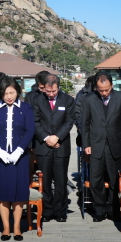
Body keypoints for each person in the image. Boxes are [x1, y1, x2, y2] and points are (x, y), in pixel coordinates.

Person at [0, 76, 35, 241]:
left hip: (19, 157)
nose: (9, 96)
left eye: (12, 92)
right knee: (2, 192)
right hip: (0, 157)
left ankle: (17, 226)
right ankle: (6, 227)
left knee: (19, 193)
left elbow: (30, 131)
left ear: (18, 91)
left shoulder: (26, 108)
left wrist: (19, 151)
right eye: (5, 93)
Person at [81, 72, 121, 222]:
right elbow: (84, 124)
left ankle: (114, 210)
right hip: (95, 145)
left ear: (112, 86)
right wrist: (86, 144)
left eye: (107, 90)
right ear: (96, 87)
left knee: (115, 179)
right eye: (101, 90)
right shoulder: (89, 99)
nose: (104, 93)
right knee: (96, 179)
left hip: (115, 144)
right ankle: (99, 210)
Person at [32, 74, 75, 222]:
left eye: (54, 91)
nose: (51, 94)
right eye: (48, 91)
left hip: (61, 145)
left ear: (58, 87)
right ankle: (47, 211)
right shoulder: (37, 100)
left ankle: (60, 211)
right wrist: (47, 138)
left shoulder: (68, 100)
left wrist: (57, 137)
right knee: (45, 180)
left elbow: (69, 122)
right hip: (43, 146)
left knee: (61, 180)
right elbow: (35, 122)